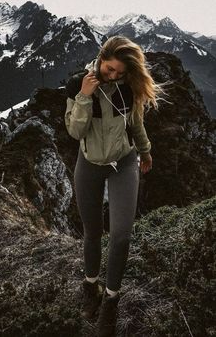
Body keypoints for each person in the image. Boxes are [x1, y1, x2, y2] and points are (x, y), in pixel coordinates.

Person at [64, 35, 165, 337]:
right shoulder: (77, 85)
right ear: (100, 60)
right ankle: (91, 286)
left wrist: (145, 151)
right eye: (110, 69)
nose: (114, 76)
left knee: (121, 236)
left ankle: (111, 300)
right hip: (89, 165)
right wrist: (84, 95)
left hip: (123, 162)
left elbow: (135, 122)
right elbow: (74, 130)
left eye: (120, 72)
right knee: (93, 232)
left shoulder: (127, 86)